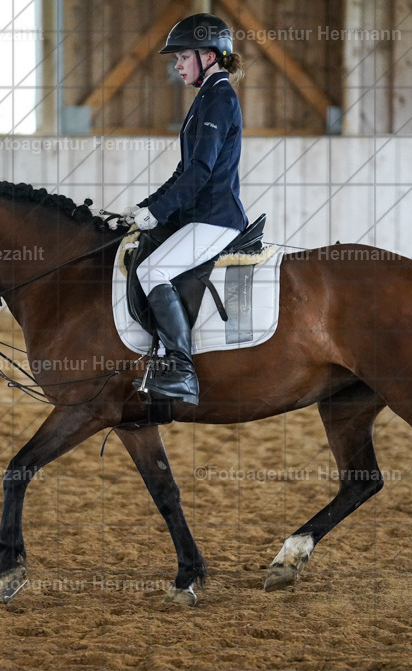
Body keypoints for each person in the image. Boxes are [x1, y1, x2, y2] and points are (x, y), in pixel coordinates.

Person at [122, 13, 247, 406]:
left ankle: (181, 370)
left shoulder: (219, 97)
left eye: (182, 57)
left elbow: (200, 171)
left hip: (216, 217)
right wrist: (147, 207)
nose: (176, 65)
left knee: (152, 270)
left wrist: (158, 212)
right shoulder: (207, 98)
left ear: (209, 56)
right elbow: (183, 170)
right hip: (201, 214)